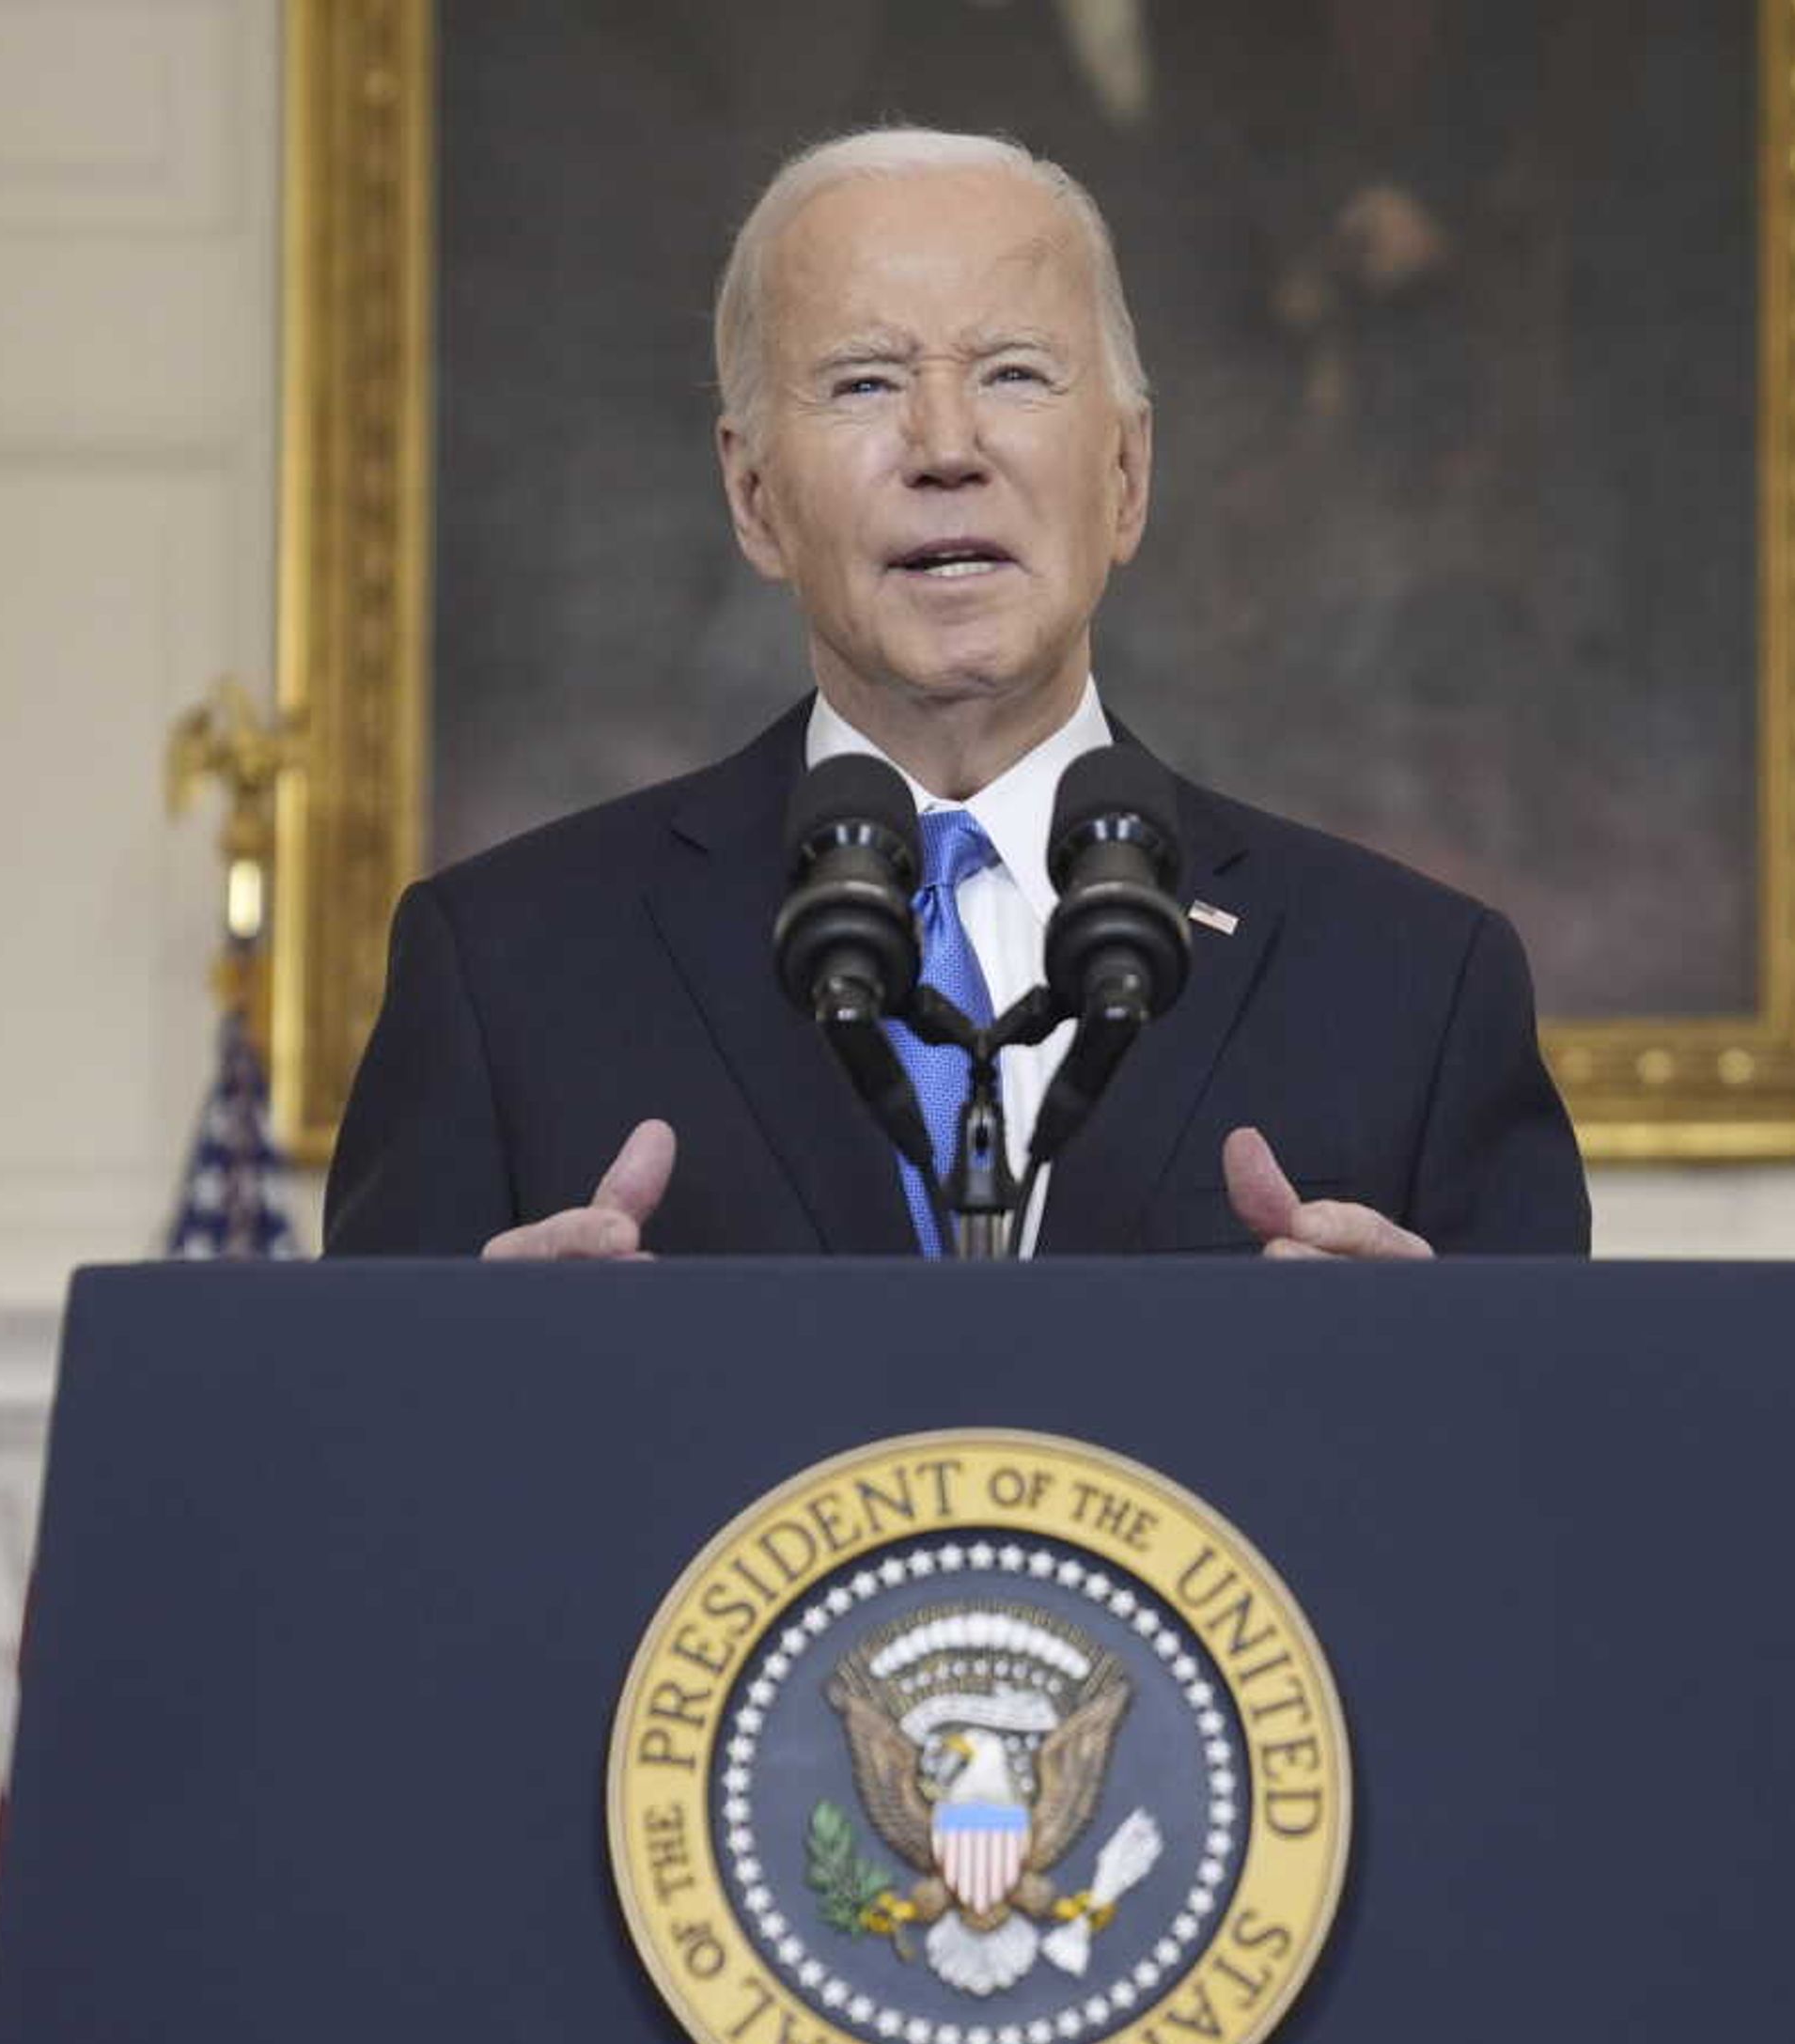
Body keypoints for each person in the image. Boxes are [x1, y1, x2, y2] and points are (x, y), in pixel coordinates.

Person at [322, 127, 1586, 1262]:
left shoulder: (1416, 986)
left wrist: (1438, 1382)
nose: (944, 447)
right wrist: (476, 1384)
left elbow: (1550, 1488)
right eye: (864, 381)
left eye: (1016, 374)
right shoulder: (505, 972)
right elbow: (354, 1484)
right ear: (753, 497)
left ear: (1127, 477)